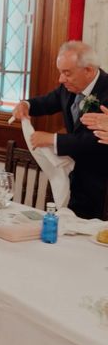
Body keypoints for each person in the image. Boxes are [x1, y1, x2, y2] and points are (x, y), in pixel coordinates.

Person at [11, 41, 108, 220]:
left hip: (99, 183)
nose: (61, 79)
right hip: (76, 180)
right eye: (60, 72)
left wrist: (53, 140)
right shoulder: (69, 87)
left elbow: (96, 140)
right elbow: (49, 101)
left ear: (88, 70)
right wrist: (27, 105)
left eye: (67, 73)